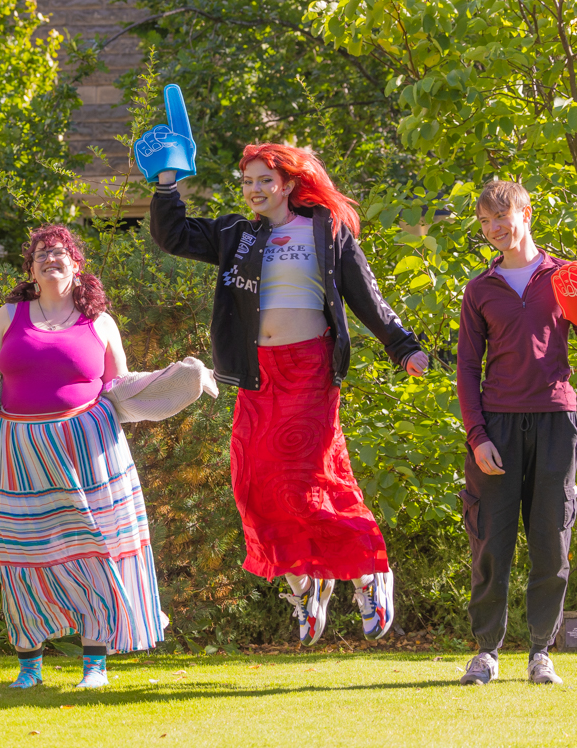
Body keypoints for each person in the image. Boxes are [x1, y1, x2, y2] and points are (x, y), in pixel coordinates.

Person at [146, 143, 429, 645]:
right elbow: (173, 236)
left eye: (264, 180)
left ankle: (369, 572)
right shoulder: (235, 234)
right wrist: (167, 183)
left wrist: (403, 347)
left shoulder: (326, 230)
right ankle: (305, 581)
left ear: (289, 183)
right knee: (251, 483)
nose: (254, 190)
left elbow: (365, 295)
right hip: (258, 372)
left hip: (309, 368)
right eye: (247, 182)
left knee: (309, 478)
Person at [0, 224, 165, 689]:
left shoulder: (99, 322)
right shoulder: (8, 315)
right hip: (18, 451)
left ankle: (94, 666)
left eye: (59, 252)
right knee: (23, 554)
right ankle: (28, 667)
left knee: (97, 549)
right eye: (40, 253)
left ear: (76, 266)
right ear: (30, 270)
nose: (49, 258)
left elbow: (118, 384)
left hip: (88, 448)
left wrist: (172, 382)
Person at [456, 181, 577, 686]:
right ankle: (486, 653)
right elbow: (466, 370)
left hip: (554, 419)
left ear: (526, 212)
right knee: (491, 543)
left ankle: (541, 652)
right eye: (485, 222)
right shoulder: (480, 289)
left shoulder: (565, 276)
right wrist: (477, 435)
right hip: (497, 423)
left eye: (502, 217)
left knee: (551, 540)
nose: (495, 228)